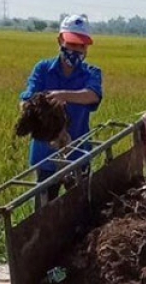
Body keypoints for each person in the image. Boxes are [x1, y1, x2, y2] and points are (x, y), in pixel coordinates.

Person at [19, 14, 103, 207]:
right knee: (45, 212)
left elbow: (93, 95)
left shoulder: (91, 72)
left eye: (82, 46)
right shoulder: (43, 69)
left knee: (80, 211)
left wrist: (62, 96)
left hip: (78, 153)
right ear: (60, 40)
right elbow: (26, 97)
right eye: (72, 44)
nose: (76, 50)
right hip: (45, 154)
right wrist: (32, 106)